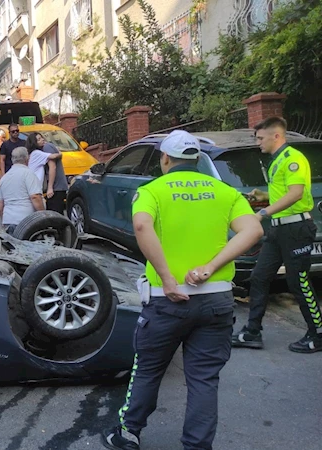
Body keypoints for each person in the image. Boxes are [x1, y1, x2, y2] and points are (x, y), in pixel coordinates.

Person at [102, 130, 263, 450]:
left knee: (147, 368)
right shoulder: (225, 191)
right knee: (204, 379)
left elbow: (141, 226)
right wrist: (210, 267)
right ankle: (197, 446)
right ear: (196, 159)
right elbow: (254, 230)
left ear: (165, 159)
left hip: (167, 300)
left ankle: (129, 432)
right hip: (216, 299)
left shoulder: (152, 191)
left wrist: (168, 278)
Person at [232, 117, 322, 353]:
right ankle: (252, 332)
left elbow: (295, 194)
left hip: (296, 229)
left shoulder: (293, 159)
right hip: (279, 229)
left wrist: (263, 212)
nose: (258, 143)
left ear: (277, 136)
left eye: (261, 138)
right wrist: (264, 196)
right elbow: (284, 194)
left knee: (298, 281)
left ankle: (318, 334)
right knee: (259, 277)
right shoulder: (276, 161)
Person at [0, 147, 45, 234]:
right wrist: (43, 216)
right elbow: (35, 197)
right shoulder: (28, 174)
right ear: (27, 159)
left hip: (8, 221)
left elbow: (0, 205)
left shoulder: (4, 178)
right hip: (26, 222)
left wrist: (5, 219)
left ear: (12, 160)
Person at [25, 132, 63, 211]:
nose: (42, 140)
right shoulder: (37, 153)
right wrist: (59, 153)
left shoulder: (34, 154)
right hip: (36, 188)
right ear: (34, 143)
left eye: (41, 138)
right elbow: (53, 156)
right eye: (38, 139)